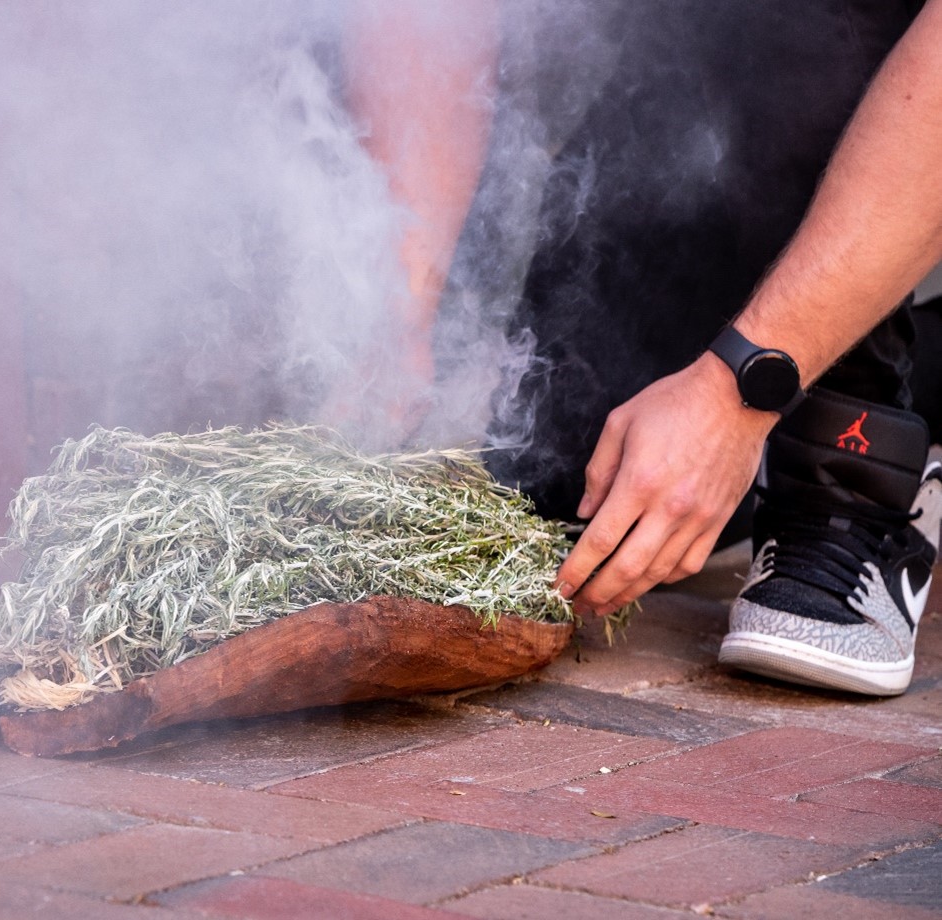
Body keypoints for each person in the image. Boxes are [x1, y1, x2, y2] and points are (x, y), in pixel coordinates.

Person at [344, 0, 942, 695]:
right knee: (590, 491)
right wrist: (399, 310)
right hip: (709, 85)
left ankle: (852, 465)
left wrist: (740, 391)